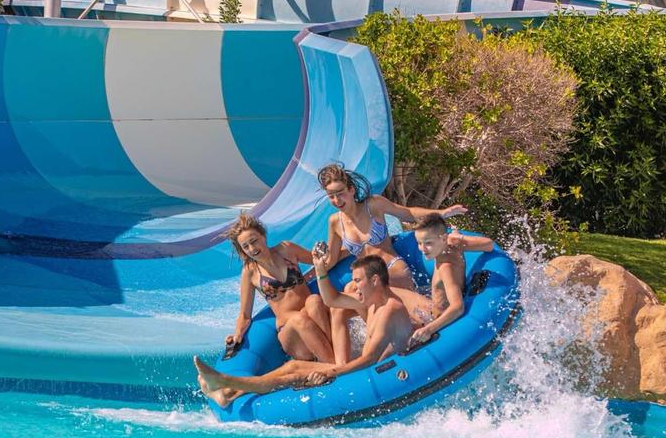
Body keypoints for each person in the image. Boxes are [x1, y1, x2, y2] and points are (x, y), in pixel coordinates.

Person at [195, 255, 414, 408]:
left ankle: (226, 382)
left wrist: (331, 372)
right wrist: (319, 269)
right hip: (364, 367)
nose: (354, 286)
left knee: (296, 373)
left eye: (357, 281)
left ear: (375, 280)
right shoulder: (372, 301)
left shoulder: (388, 310)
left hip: (376, 374)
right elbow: (332, 300)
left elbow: (369, 360)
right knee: (292, 365)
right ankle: (229, 390)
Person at [316, 164, 468, 363]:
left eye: (340, 193)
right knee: (339, 305)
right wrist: (318, 264)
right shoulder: (335, 222)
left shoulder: (373, 205)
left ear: (351, 189)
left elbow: (408, 212)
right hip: (367, 278)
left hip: (392, 268)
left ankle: (417, 337)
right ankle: (341, 367)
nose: (336, 200)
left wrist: (441, 213)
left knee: (404, 316)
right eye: (331, 196)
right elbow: (333, 259)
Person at [224, 212, 334, 363]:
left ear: (263, 236)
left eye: (254, 241)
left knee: (314, 301)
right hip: (290, 329)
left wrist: (349, 248)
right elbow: (244, 315)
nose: (252, 248)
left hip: (311, 315)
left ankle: (332, 357)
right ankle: (334, 366)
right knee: (299, 319)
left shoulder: (286, 249)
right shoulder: (249, 272)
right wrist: (237, 334)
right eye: (245, 247)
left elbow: (321, 262)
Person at [396, 213, 495, 347]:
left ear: (443, 238)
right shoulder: (454, 244)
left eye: (428, 243)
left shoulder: (445, 267)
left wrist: (428, 329)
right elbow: (489, 244)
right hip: (434, 308)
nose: (422, 249)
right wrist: (459, 237)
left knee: (385, 293)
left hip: (436, 319)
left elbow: (458, 307)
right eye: (419, 243)